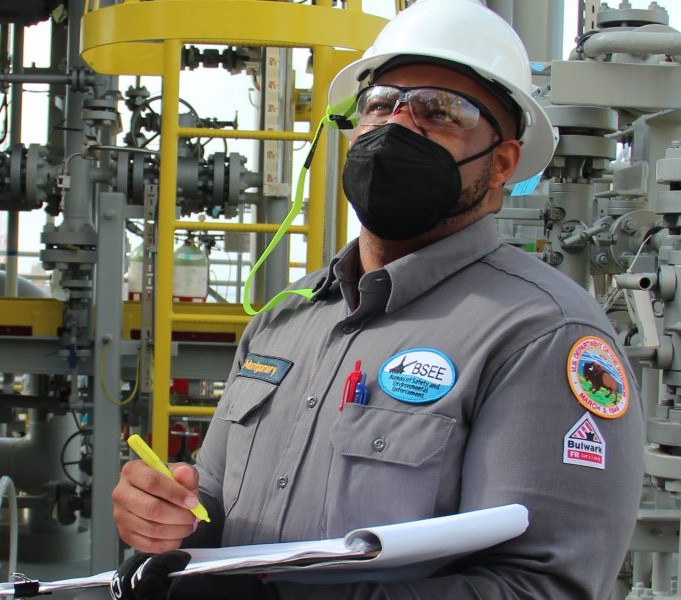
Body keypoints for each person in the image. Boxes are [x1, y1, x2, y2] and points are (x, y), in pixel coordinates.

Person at [110, 0, 644, 597]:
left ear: (501, 163)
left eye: (440, 111)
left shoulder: (541, 334)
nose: (397, 125)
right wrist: (165, 519)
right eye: (380, 102)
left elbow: (542, 587)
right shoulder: (286, 321)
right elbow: (209, 502)